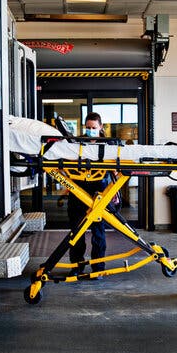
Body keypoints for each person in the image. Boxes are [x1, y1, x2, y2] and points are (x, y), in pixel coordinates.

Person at [67, 112, 116, 277]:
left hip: (98, 193)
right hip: (78, 191)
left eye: (93, 128)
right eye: (88, 128)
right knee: (76, 233)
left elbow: (114, 171)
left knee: (98, 234)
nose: (90, 131)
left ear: (100, 127)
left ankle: (98, 268)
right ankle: (77, 267)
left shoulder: (108, 145)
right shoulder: (76, 143)